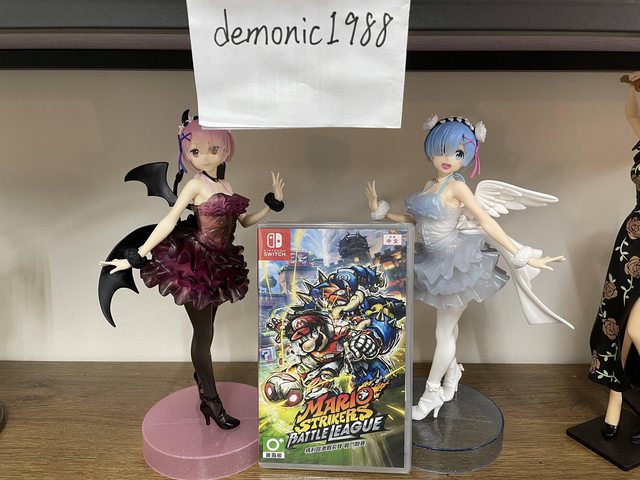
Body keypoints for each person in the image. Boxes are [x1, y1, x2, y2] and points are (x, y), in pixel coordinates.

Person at [366, 115, 565, 420]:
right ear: (431, 149)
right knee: (449, 329)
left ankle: (431, 393)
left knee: (443, 331)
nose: (448, 158)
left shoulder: (458, 187)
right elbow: (416, 221)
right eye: (442, 150)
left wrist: (522, 254)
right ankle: (452, 375)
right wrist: (383, 213)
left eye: (458, 153)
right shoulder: (431, 184)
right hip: (432, 261)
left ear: (468, 155)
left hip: (456, 264)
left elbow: (486, 221)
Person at [100, 111, 285, 429]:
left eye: (213, 149)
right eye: (195, 151)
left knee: (207, 329)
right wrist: (137, 256)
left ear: (226, 149)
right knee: (204, 335)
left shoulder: (224, 183)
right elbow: (170, 220)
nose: (204, 157)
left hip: (221, 263)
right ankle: (211, 400)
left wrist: (272, 204)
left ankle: (202, 380)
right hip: (194, 263)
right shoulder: (195, 185)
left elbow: (244, 221)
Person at [589, 73, 640, 444]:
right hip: (632, 241)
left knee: (636, 329)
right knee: (616, 321)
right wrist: (633, 88)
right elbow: (632, 115)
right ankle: (615, 404)